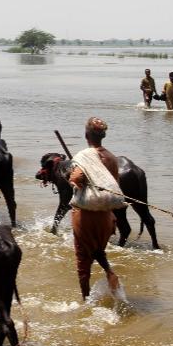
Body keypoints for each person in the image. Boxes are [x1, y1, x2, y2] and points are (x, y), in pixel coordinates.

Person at [69, 117, 122, 301]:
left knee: (83, 261)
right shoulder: (112, 158)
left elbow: (77, 179)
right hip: (107, 218)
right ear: (103, 136)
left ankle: (85, 301)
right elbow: (113, 185)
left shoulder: (84, 156)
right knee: (98, 249)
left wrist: (72, 179)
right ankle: (109, 272)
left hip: (86, 217)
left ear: (86, 135)